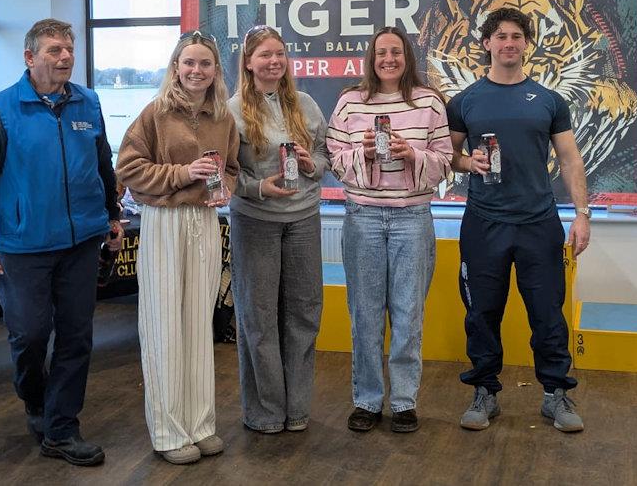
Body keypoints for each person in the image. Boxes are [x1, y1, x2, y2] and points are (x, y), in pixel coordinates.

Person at [0, 18, 122, 466]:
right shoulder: (1, 109)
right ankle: (35, 399)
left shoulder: (87, 102)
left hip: (81, 242)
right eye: (54, 49)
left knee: (76, 337)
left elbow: (102, 163)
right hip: (22, 245)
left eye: (69, 48)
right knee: (30, 336)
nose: (65, 56)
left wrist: (112, 216)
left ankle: (61, 429)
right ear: (30, 57)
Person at [446, 7, 590, 433]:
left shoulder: (549, 100)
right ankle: (485, 392)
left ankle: (555, 395)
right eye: (500, 36)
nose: (509, 43)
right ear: (487, 43)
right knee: (482, 313)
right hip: (484, 223)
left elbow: (569, 160)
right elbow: (448, 156)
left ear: (527, 44)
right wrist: (464, 161)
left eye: (517, 36)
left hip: (539, 223)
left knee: (548, 313)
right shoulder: (465, 101)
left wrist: (582, 216)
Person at [116, 30, 239, 465]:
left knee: (197, 325)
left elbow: (234, 168)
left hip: (205, 221)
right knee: (165, 326)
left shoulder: (223, 117)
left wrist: (224, 186)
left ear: (215, 71)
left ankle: (201, 423)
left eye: (205, 64)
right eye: (189, 63)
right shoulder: (154, 113)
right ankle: (169, 431)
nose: (196, 70)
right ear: (176, 67)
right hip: (164, 221)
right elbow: (128, 168)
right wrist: (183, 172)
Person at [327, 26, 453, 433]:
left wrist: (411, 153)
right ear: (371, 57)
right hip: (362, 216)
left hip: (412, 218)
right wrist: (360, 153)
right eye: (381, 52)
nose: (388, 59)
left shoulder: (429, 101)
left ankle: (402, 401)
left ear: (407, 56)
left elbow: (445, 159)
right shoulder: (349, 101)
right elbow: (333, 155)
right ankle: (366, 400)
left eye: (396, 52)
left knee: (407, 314)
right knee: (363, 314)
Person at [227, 25, 330, 434]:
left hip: (305, 219)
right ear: (249, 62)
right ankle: (266, 412)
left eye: (280, 54)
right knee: (259, 318)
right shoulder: (232, 110)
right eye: (265, 54)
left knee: (304, 313)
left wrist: (311, 165)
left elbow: (324, 154)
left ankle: (298, 409)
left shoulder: (304, 104)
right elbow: (226, 174)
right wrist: (257, 188)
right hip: (256, 222)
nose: (274, 61)